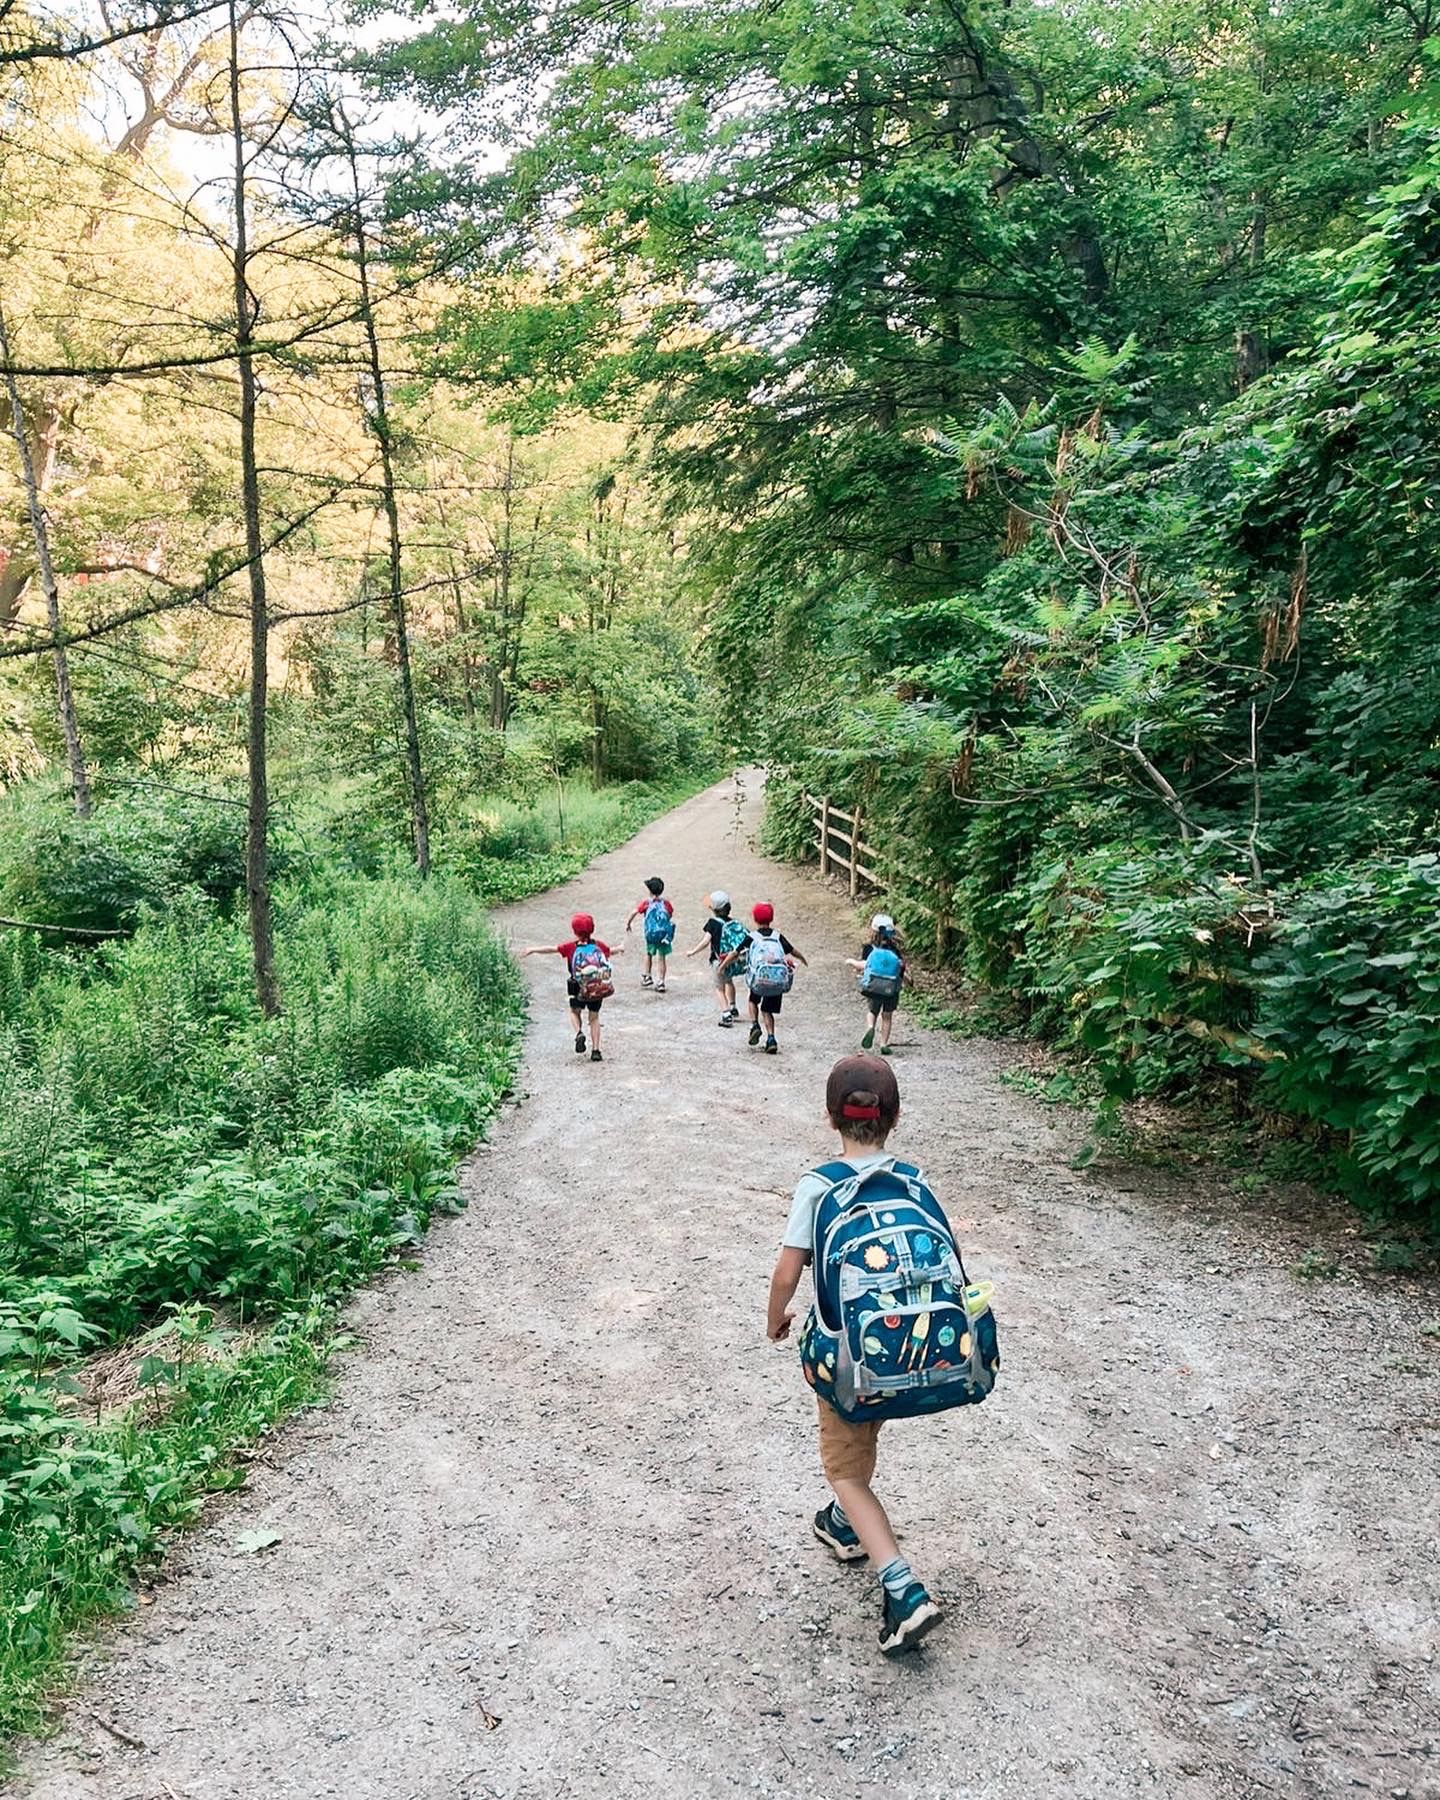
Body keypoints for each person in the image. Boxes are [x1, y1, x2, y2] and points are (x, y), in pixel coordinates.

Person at [766, 1055, 943, 1655]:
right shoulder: (915, 1182)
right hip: (912, 1349)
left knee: (842, 1468)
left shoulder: (819, 1186)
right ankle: (843, 1526)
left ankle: (903, 1589)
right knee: (861, 1438)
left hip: (850, 1358)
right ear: (894, 1118)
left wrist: (776, 1322)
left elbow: (789, 1270)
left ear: (829, 1118)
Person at [518, 912, 623, 1062]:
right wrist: (619, 949)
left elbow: (552, 949)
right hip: (596, 988)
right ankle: (596, 1050)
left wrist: (533, 949)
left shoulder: (570, 947)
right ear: (592, 929)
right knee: (594, 1017)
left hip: (577, 988)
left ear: (574, 931)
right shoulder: (599, 946)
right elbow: (609, 952)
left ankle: (578, 1033)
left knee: (574, 1012)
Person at [719, 901, 807, 1055]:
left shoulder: (752, 937)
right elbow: (792, 951)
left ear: (755, 919)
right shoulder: (777, 936)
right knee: (768, 1010)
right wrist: (803, 959)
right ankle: (771, 1038)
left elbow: (735, 953)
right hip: (776, 980)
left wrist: (722, 966)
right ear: (771, 918)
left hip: (759, 979)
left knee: (753, 1000)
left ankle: (754, 1025)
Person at [846, 913, 906, 1054]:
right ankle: (884, 1044)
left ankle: (870, 1027)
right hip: (891, 989)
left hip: (873, 987)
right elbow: (900, 968)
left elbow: (864, 965)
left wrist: (851, 962)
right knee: (887, 1016)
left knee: (872, 1012)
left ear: (873, 931)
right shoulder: (894, 950)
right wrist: (907, 980)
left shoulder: (869, 948)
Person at [685, 889, 746, 1026]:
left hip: (718, 961)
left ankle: (726, 1014)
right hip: (731, 959)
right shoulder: (732, 922)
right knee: (729, 982)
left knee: (719, 988)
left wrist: (693, 951)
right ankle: (733, 1006)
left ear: (714, 909)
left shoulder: (713, 923)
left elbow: (706, 941)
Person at [626, 875, 675, 992]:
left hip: (651, 935)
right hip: (663, 935)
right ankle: (661, 981)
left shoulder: (647, 903)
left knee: (649, 954)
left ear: (649, 890)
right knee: (662, 957)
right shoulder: (666, 903)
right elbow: (670, 915)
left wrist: (628, 923)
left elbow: (634, 912)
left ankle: (647, 976)